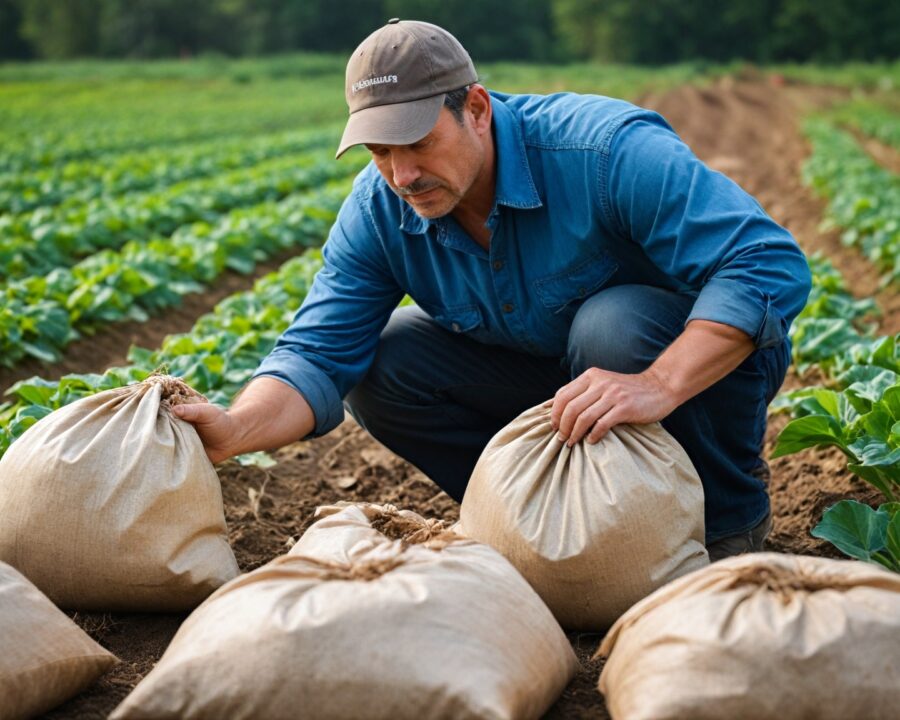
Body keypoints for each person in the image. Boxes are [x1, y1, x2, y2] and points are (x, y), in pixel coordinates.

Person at [173, 19, 811, 561]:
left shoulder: (602, 152)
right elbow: (316, 351)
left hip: (686, 374)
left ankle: (726, 518)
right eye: (379, 152)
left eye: (419, 143)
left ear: (475, 109)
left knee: (612, 325)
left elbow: (766, 262)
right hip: (553, 383)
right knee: (385, 363)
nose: (403, 174)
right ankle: (525, 513)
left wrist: (659, 382)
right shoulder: (380, 211)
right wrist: (235, 428)